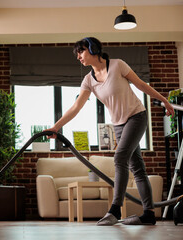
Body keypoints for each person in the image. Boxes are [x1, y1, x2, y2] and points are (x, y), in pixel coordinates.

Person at [45, 37, 175, 226]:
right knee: (137, 168)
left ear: (92, 49)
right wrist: (55, 127)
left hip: (136, 116)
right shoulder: (88, 80)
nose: (78, 57)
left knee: (119, 158)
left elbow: (140, 85)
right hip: (119, 126)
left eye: (81, 52)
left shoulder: (117, 65)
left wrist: (164, 99)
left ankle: (114, 209)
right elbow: (76, 107)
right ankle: (149, 214)